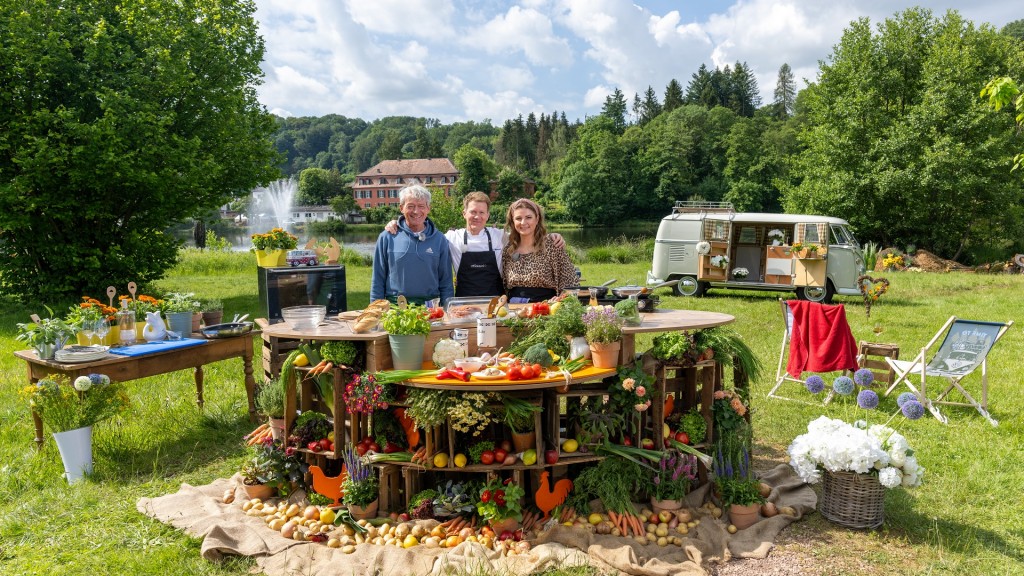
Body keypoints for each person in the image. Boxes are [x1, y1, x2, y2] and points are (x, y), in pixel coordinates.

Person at [384, 191, 564, 297]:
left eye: (481, 212)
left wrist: (552, 236)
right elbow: (422, 234)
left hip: (497, 303)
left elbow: (527, 232)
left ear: (487, 216)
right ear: (464, 213)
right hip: (464, 304)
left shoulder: (500, 236)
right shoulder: (451, 237)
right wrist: (399, 225)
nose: (477, 217)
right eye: (472, 212)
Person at [370, 185, 454, 306]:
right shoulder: (387, 237)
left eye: (421, 206)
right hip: (396, 308)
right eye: (410, 206)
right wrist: (374, 309)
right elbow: (377, 278)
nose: (416, 211)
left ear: (428, 208)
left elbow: (446, 281)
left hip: (430, 308)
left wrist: (447, 308)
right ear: (401, 208)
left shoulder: (439, 239)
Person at [502, 197, 577, 302]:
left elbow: (570, 281)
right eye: (518, 218)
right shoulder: (509, 250)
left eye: (528, 217)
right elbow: (505, 286)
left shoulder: (552, 245)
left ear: (537, 219)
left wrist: (561, 299)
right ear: (513, 221)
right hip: (514, 308)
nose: (523, 222)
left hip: (544, 307)